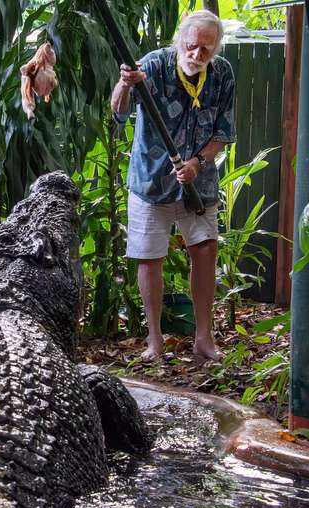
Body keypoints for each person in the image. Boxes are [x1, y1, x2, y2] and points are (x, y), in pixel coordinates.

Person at [110, 10, 236, 361]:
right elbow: (118, 112)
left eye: (206, 50)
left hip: (199, 182)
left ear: (216, 49)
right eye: (192, 46)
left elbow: (223, 133)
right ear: (180, 40)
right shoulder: (153, 65)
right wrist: (125, 82)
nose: (197, 55)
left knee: (205, 250)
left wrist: (198, 163)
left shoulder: (223, 74)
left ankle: (204, 339)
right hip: (152, 181)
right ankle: (154, 341)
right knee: (150, 257)